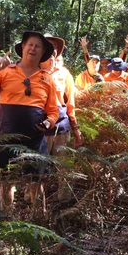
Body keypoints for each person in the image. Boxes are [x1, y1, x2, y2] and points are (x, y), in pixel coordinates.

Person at [0, 31, 59, 212]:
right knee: (6, 182)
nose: (33, 48)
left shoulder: (47, 79)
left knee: (35, 183)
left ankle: (38, 218)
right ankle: (6, 219)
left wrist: (48, 123)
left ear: (43, 52)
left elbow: (53, 111)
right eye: (30, 44)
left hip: (34, 141)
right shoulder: (6, 71)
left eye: (38, 46)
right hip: (5, 138)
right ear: (23, 47)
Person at [41, 34, 83, 200]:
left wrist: (75, 128)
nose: (52, 50)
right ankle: (34, 200)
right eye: (48, 46)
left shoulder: (64, 74)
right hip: (40, 123)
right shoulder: (33, 71)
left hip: (61, 124)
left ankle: (63, 199)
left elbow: (70, 103)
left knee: (63, 165)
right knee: (38, 164)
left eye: (54, 47)